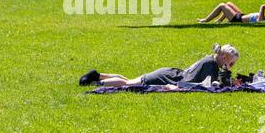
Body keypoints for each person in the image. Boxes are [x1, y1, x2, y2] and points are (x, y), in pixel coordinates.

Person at [79, 43, 240, 89]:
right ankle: (95, 83)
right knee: (129, 84)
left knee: (132, 80)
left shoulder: (211, 60)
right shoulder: (211, 64)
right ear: (224, 57)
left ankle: (98, 75)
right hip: (168, 77)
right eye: (231, 62)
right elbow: (207, 86)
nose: (231, 66)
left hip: (169, 73)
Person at [197, 2, 265, 23]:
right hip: (242, 15)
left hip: (237, 19)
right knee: (229, 3)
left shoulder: (262, 19)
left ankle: (206, 20)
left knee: (222, 5)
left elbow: (262, 6)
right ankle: (219, 21)